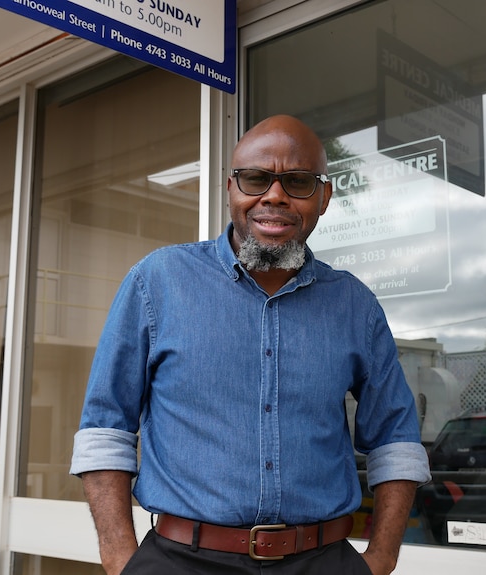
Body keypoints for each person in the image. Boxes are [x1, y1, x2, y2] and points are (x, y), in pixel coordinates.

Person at [70, 114, 431, 575]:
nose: (274, 195)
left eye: (298, 182)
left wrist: (381, 559)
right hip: (180, 561)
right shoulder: (157, 282)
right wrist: (120, 557)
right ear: (231, 190)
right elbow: (105, 429)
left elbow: (396, 441)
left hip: (322, 561)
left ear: (324, 197)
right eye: (255, 178)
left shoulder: (355, 305)